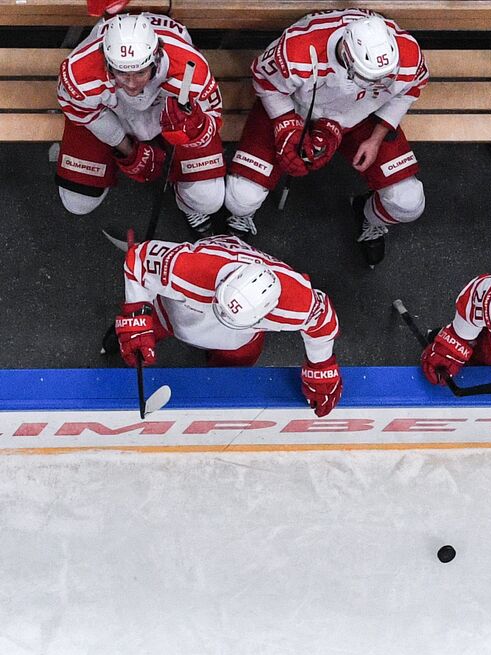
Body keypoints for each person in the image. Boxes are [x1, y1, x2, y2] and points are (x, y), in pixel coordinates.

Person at [223, 10, 428, 266]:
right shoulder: (298, 48)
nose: (379, 82)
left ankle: (369, 217)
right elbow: (265, 82)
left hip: (360, 115)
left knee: (408, 202)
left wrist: (377, 137)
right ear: (347, 54)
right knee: (240, 198)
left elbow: (410, 90)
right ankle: (243, 214)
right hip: (295, 107)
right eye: (367, 78)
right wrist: (286, 126)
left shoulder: (407, 53)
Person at [115, 235, 343, 416]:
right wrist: (136, 313)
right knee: (149, 329)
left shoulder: (295, 302)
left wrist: (321, 366)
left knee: (228, 376)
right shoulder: (192, 268)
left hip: (239, 341)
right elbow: (139, 258)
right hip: (176, 313)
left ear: (268, 310)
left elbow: (322, 320)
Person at [56, 13, 225, 232]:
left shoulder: (189, 68)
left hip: (166, 107)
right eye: (122, 73)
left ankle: (183, 195)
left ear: (155, 58)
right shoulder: (79, 71)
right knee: (77, 202)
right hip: (111, 109)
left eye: (140, 72)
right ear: (107, 63)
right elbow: (83, 113)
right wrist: (127, 149)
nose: (132, 83)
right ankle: (105, 170)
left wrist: (194, 126)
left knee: (208, 200)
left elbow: (213, 118)